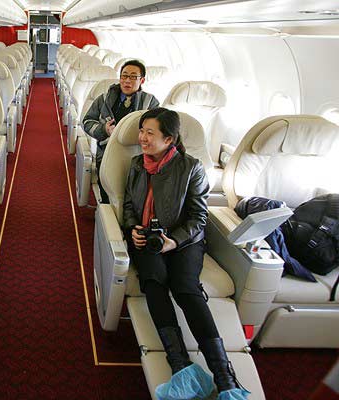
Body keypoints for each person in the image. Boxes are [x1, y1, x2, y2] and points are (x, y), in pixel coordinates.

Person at [122, 108, 249, 400]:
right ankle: (179, 364)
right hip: (148, 239)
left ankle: (225, 376)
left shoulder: (192, 168)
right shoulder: (136, 165)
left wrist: (174, 241)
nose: (142, 138)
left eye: (150, 133)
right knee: (154, 282)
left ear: (169, 139)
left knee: (186, 288)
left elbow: (198, 217)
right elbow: (129, 204)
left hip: (185, 241)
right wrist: (132, 228)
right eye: (141, 131)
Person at [83, 59, 159, 203]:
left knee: (135, 195)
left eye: (133, 77)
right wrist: (104, 129)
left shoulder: (150, 102)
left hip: (139, 154)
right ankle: (106, 212)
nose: (127, 81)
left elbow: (157, 130)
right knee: (108, 192)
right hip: (107, 151)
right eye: (124, 76)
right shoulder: (104, 99)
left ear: (142, 80)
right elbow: (87, 122)